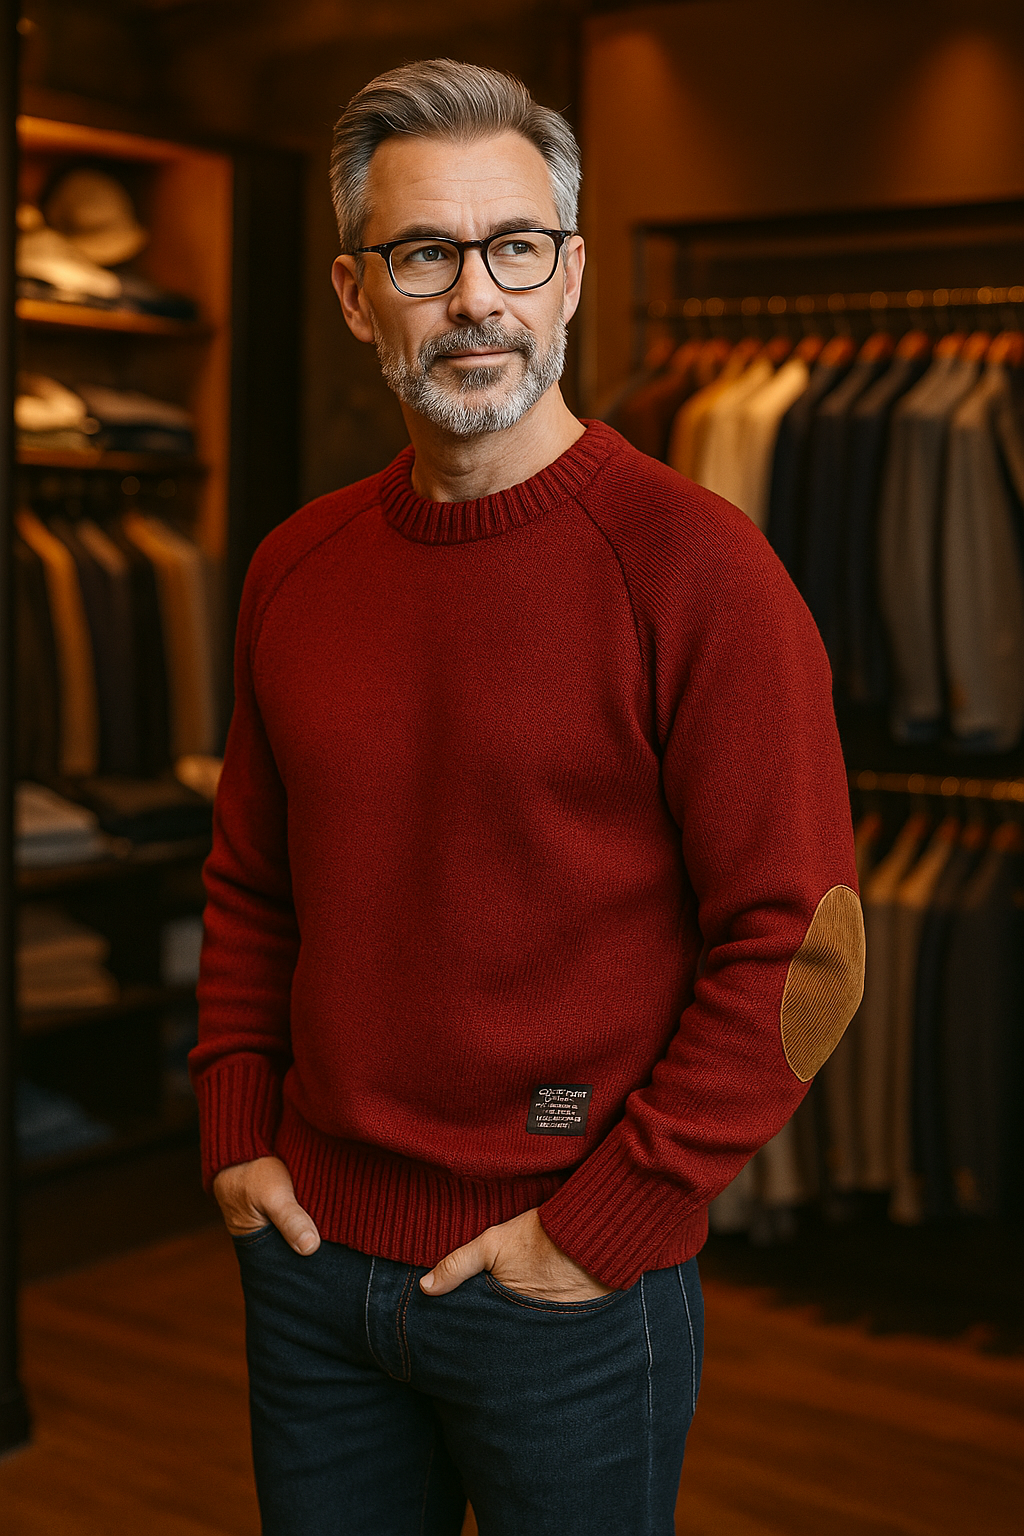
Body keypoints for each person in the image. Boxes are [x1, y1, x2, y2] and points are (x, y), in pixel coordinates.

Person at [190, 58, 865, 1536]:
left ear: (570, 275)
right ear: (357, 295)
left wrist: (609, 1221)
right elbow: (251, 882)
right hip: (310, 1266)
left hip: (568, 1290)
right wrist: (238, 1131)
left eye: (515, 247)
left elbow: (805, 952)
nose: (475, 298)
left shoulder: (699, 572)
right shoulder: (297, 568)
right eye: (424, 255)